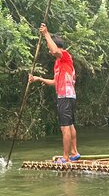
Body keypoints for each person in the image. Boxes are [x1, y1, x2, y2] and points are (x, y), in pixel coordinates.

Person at [29, 23, 80, 163]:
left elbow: (56, 51)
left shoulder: (64, 55)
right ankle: (74, 153)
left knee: (65, 127)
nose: (49, 51)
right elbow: (56, 82)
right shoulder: (59, 63)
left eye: (51, 48)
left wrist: (46, 34)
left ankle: (66, 157)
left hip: (66, 96)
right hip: (67, 95)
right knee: (70, 125)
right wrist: (38, 79)